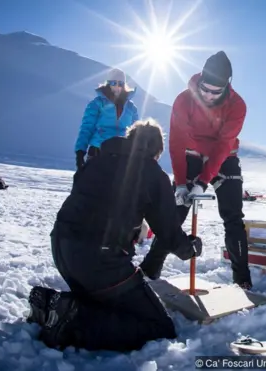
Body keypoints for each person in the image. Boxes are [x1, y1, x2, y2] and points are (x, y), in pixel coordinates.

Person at [27, 119, 203, 352]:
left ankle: (55, 306)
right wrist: (188, 248)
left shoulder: (95, 162)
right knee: (158, 327)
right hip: (100, 261)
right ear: (157, 151)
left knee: (107, 301)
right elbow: (168, 230)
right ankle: (70, 321)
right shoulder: (151, 172)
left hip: (62, 250)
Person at [167, 50, 253, 289]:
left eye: (215, 91)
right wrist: (182, 183)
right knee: (174, 215)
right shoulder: (184, 99)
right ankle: (149, 271)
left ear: (227, 85)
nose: (208, 95)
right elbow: (176, 143)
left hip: (224, 156)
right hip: (191, 154)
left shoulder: (238, 105)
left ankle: (242, 280)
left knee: (233, 217)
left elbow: (224, 144)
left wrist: (204, 182)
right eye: (204, 88)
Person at [74, 68, 139, 171]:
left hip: (122, 154)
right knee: (94, 185)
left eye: (120, 83)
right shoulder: (97, 104)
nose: (117, 86)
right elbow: (86, 128)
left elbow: (136, 133)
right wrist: (80, 151)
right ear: (108, 84)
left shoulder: (131, 108)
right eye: (113, 83)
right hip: (98, 151)